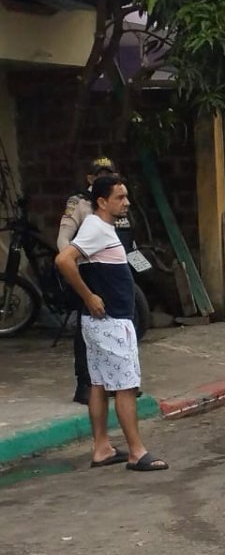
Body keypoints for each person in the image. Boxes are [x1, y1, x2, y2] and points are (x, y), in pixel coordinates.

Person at [54, 175, 168, 471]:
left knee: (100, 384)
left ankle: (102, 447)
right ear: (102, 202)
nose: (126, 202)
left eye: (126, 196)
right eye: (120, 197)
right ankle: (136, 451)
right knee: (126, 387)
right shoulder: (94, 228)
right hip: (111, 322)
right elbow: (64, 260)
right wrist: (89, 296)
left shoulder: (100, 227)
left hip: (103, 322)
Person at [58, 157, 136, 405]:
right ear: (90, 179)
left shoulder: (118, 198)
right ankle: (84, 382)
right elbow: (64, 243)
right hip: (90, 274)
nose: (105, 176)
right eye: (100, 173)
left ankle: (121, 382)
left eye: (109, 172)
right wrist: (79, 270)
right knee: (87, 332)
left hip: (115, 270)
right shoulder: (81, 204)